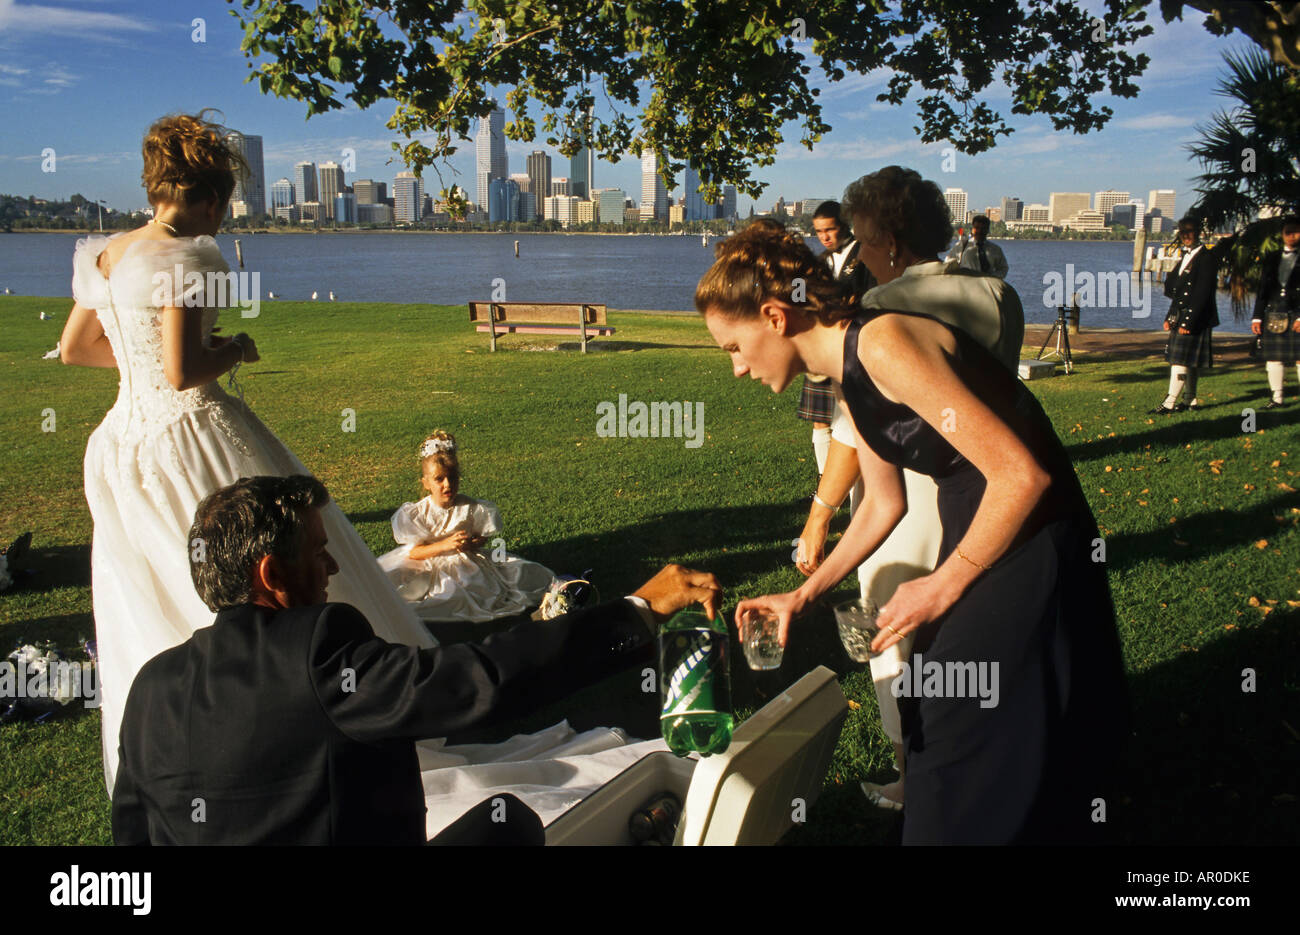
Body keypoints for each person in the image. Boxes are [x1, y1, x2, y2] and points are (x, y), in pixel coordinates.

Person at [696, 224, 1127, 844]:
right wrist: (802, 596)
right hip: (977, 528)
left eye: (734, 346)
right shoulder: (848, 372)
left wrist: (941, 586)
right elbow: (882, 507)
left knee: (963, 720)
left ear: (774, 316)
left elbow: (1022, 476)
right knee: (939, 704)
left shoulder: (883, 342)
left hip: (1024, 536)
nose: (736, 368)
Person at [58, 111, 435, 794]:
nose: (223, 219)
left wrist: (138, 363)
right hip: (187, 437)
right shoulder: (188, 255)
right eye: (224, 204)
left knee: (152, 585)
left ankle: (192, 742)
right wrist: (236, 348)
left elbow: (79, 347)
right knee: (270, 559)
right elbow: (181, 371)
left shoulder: (107, 254)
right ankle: (304, 701)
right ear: (207, 197)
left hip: (120, 448)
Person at [111, 474, 722, 845]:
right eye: (318, 554)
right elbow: (479, 681)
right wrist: (639, 609)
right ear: (271, 575)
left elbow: (132, 838)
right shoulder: (318, 653)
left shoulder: (149, 689)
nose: (330, 569)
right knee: (506, 823)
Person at [792, 167, 1024, 811]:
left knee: (891, 633)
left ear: (890, 243)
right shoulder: (999, 296)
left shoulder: (880, 317)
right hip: (982, 496)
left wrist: (821, 514)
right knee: (966, 637)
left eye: (864, 241)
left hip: (907, 494)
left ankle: (912, 775)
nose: (859, 256)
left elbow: (850, 432)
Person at [378, 430, 556, 622]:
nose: (447, 485)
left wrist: (473, 543)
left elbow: (482, 535)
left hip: (463, 561)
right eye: (439, 479)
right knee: (395, 582)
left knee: (498, 579)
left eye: (453, 478)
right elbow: (414, 552)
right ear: (426, 482)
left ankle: (556, 594)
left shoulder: (472, 507)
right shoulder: (416, 513)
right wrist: (445, 545)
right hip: (427, 560)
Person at [797, 202, 874, 475]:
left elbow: (873, 301)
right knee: (820, 422)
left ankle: (852, 490)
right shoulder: (818, 263)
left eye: (830, 230)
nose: (825, 237)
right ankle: (824, 482)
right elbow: (800, 298)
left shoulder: (866, 258)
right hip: (823, 349)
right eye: (819, 232)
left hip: (853, 349)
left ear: (844, 226)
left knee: (852, 423)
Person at [1151, 217, 1222, 414]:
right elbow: (1174, 289)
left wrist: (1189, 322)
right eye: (1183, 232)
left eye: (1190, 232)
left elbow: (1203, 292)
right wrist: (1170, 317)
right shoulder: (1185, 257)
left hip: (1196, 317)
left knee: (1180, 361)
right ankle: (1190, 400)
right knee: (1187, 362)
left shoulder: (1207, 258)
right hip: (1181, 315)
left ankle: (1169, 402)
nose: (1186, 236)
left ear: (1198, 232)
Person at [1251, 214, 1300, 408]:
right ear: (1282, 234)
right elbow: (1263, 289)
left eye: (1296, 232)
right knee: (1273, 357)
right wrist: (1256, 317)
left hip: (1296, 312)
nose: (1292, 236)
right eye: (1288, 232)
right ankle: (1277, 398)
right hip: (1273, 312)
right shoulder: (1272, 258)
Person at [945, 214, 1009, 279]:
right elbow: (948, 264)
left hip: (986, 286)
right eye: (977, 228)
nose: (979, 231)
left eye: (983, 228)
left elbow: (1003, 268)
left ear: (987, 230)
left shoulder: (995, 249)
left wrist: (992, 278)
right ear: (972, 229)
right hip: (966, 285)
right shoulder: (961, 246)